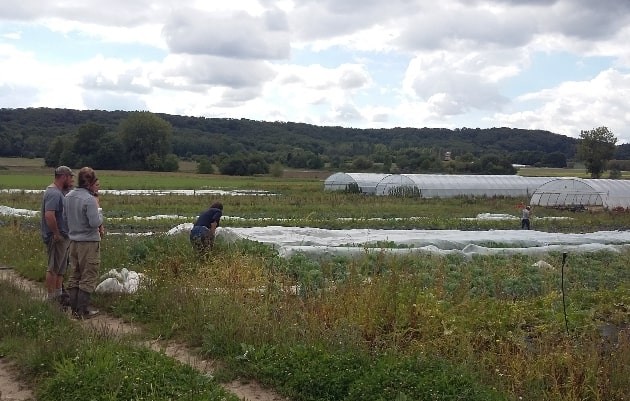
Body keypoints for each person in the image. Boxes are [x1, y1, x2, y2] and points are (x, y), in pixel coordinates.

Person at [63, 167, 104, 319]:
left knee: (75, 274)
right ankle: (82, 310)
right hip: (89, 242)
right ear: (91, 182)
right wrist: (99, 210)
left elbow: (65, 218)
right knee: (88, 275)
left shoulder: (69, 196)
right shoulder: (89, 199)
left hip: (73, 241)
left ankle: (74, 310)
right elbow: (94, 223)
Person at [40, 166, 74, 306]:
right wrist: (56, 233)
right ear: (64, 176)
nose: (72, 180)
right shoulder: (54, 193)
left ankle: (59, 296)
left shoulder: (60, 192)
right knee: (53, 268)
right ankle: (51, 299)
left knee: (60, 269)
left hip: (63, 236)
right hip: (56, 237)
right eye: (70, 177)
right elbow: (49, 215)